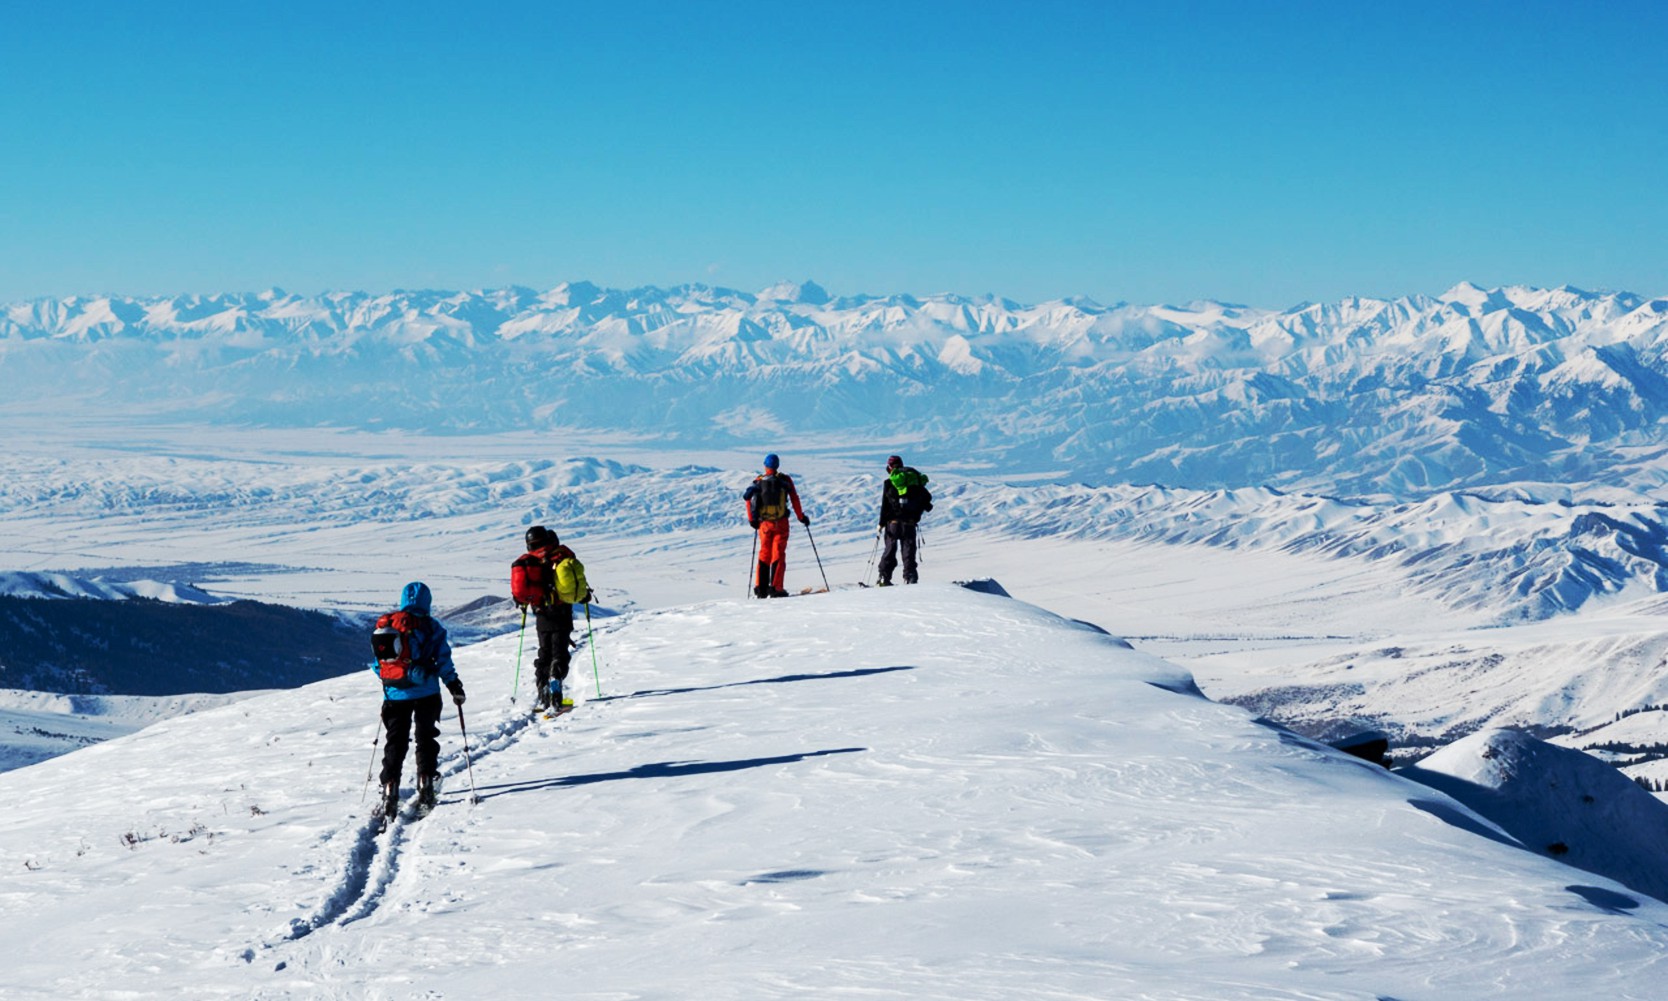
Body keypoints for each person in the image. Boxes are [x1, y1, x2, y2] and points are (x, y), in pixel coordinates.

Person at [371, 581, 464, 821]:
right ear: (428, 602)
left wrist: (395, 678)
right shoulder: (432, 627)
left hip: (394, 694)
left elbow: (377, 664)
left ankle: (390, 787)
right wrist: (454, 685)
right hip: (426, 693)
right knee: (425, 738)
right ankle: (426, 783)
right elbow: (444, 661)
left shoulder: (387, 624)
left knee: (395, 741)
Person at [518, 525, 590, 712]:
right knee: (559, 653)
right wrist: (585, 596)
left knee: (545, 652)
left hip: (541, 613)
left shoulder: (531, 563)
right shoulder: (560, 559)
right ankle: (556, 693)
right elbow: (575, 588)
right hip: (561, 612)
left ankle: (543, 694)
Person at [742, 453, 809, 598]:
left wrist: (752, 519)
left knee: (764, 554)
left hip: (764, 524)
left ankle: (761, 588)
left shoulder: (758, 481)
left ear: (765, 465)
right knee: (778, 553)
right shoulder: (785, 480)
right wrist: (801, 517)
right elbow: (794, 498)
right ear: (777, 465)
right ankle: (776, 588)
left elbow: (747, 498)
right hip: (781, 523)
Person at [877, 454, 932, 586]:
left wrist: (881, 523)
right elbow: (927, 501)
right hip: (910, 523)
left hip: (893, 524)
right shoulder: (914, 482)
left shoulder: (889, 482)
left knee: (890, 550)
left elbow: (885, 505)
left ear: (890, 467)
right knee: (908, 552)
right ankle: (910, 578)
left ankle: (884, 578)